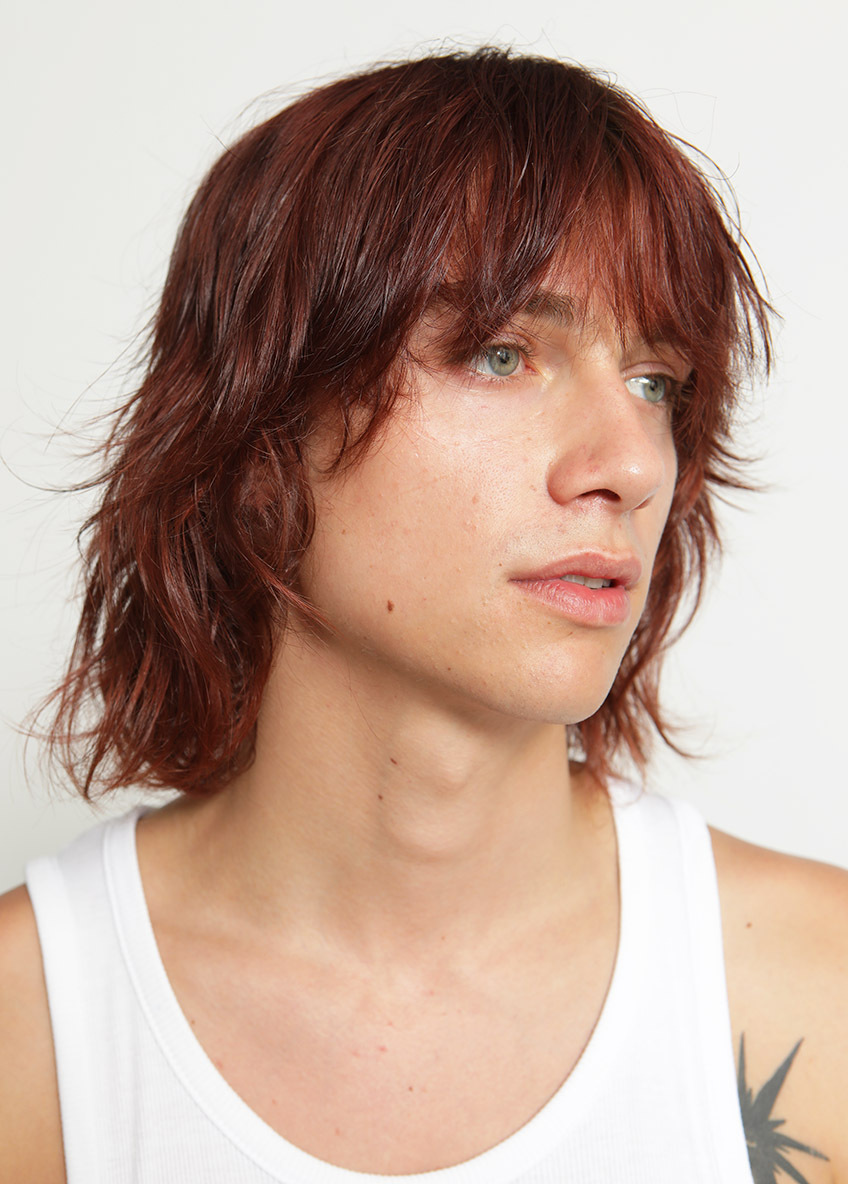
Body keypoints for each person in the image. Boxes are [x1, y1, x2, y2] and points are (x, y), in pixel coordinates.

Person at [0, 47, 845, 1184]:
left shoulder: (819, 992)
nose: (631, 464)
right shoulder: (31, 1034)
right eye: (502, 355)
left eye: (655, 381)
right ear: (257, 439)